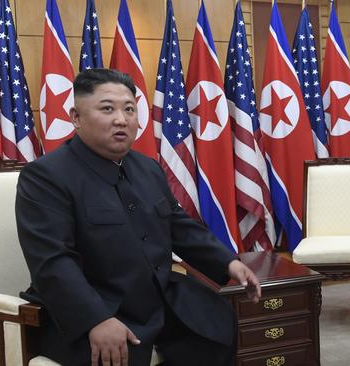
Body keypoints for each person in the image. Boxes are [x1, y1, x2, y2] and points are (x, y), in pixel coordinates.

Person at [16, 68, 261, 366]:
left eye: (129, 109)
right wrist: (96, 319)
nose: (121, 119)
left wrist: (229, 262)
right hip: (97, 305)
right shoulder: (45, 177)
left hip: (158, 298)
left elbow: (179, 227)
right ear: (76, 118)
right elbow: (53, 261)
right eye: (107, 109)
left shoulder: (147, 168)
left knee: (216, 323)